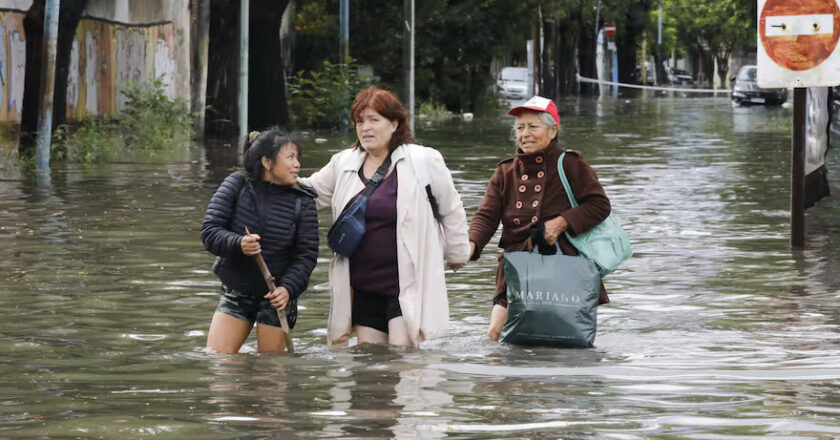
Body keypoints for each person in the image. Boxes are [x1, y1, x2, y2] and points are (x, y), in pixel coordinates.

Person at [300, 86, 470, 348]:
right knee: (370, 367)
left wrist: (457, 254)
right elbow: (307, 195)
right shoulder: (343, 163)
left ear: (394, 123)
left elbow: (451, 209)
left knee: (403, 358)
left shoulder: (423, 160)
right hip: (364, 286)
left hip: (406, 285)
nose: (365, 127)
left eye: (373, 120)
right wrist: (269, 175)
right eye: (360, 121)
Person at [468, 96, 612, 340]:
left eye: (533, 127)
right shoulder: (505, 171)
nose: (525, 134)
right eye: (520, 128)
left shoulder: (570, 164)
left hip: (563, 269)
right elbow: (487, 215)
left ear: (553, 129)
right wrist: (470, 246)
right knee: (495, 336)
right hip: (516, 270)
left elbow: (599, 206)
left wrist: (561, 222)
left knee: (565, 342)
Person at [201, 129, 318, 353]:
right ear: (267, 161)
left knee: (271, 375)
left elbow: (306, 256)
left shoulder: (303, 200)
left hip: (277, 299)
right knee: (220, 364)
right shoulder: (236, 184)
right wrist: (239, 243)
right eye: (290, 157)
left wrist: (287, 289)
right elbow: (210, 231)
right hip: (237, 291)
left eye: (297, 158)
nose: (297, 164)